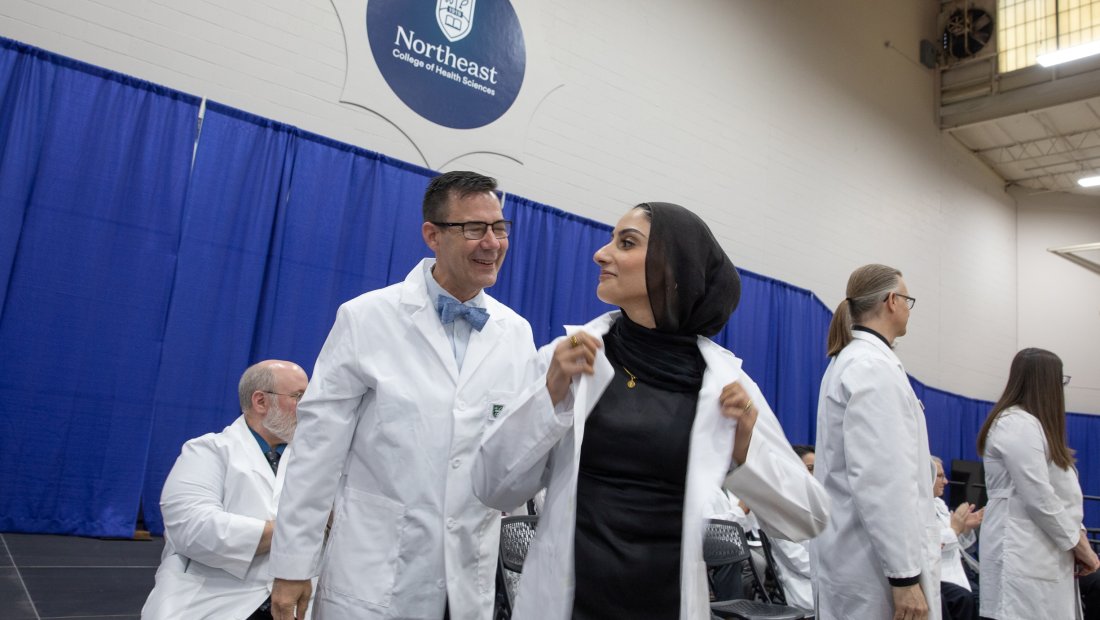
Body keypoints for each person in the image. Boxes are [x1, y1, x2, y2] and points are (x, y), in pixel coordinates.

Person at [472, 202, 829, 619]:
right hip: (569, 606)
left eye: (626, 243)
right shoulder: (568, 359)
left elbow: (806, 521)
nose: (600, 254)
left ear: (672, 267)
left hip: (667, 605)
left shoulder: (725, 385)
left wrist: (745, 452)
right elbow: (491, 487)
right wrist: (549, 397)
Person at [268, 171, 539, 620]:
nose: (493, 243)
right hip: (374, 574)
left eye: (499, 227)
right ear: (432, 235)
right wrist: (293, 566)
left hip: (467, 579)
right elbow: (316, 452)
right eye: (474, 228)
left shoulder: (516, 334)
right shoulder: (366, 318)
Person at [811, 263, 941, 620]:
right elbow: (881, 481)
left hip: (859, 559)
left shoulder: (857, 361)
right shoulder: (871, 367)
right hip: (873, 569)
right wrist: (904, 577)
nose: (909, 310)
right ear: (892, 301)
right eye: (908, 300)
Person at [142, 360, 310, 620]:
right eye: (299, 396)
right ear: (260, 402)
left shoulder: (313, 461)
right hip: (214, 598)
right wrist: (299, 529)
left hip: (297, 600)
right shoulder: (206, 451)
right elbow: (192, 528)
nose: (310, 406)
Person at [976, 348, 1099, 620]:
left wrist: (1078, 537)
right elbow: (1039, 497)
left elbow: (1062, 497)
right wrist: (1081, 547)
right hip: (1024, 553)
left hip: (1045, 553)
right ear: (1045, 383)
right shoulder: (1016, 424)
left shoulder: (1034, 426)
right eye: (1060, 380)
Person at [931, 456, 981, 620]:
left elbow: (957, 544)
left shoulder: (939, 504)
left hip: (959, 570)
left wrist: (965, 529)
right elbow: (929, 544)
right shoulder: (916, 507)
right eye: (940, 476)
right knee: (965, 598)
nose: (946, 481)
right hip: (939, 574)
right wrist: (954, 530)